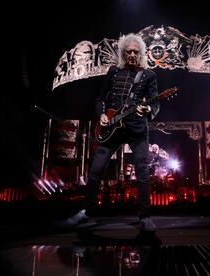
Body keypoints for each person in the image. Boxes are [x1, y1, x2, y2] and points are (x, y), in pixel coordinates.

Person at [65, 33, 160, 231]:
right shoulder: (113, 72)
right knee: (95, 171)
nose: (132, 54)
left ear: (141, 53)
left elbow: (156, 103)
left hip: (136, 129)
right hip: (112, 129)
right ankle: (85, 212)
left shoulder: (149, 75)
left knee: (142, 172)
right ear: (123, 53)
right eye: (129, 51)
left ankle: (145, 217)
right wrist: (102, 115)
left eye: (136, 51)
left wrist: (148, 109)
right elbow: (99, 99)